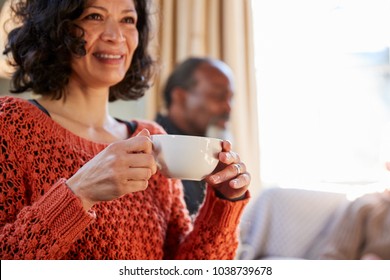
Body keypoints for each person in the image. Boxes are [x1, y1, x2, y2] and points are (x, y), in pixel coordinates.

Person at [0, 0, 251, 260]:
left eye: (128, 20)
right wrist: (79, 192)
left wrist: (224, 203)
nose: (115, 35)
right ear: (56, 28)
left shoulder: (154, 139)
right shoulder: (10, 124)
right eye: (95, 16)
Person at [155, 57, 234, 216]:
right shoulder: (151, 147)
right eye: (218, 96)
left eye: (230, 98)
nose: (228, 108)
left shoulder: (210, 149)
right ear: (180, 97)